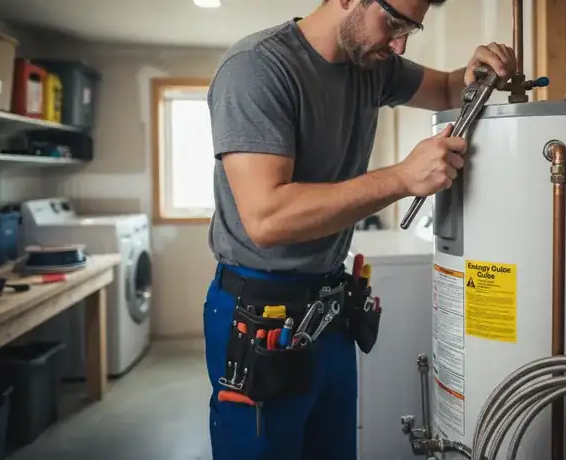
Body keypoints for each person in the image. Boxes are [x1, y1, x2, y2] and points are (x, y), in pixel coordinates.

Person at [203, 1, 518, 459]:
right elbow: (266, 219)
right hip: (260, 314)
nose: (400, 43)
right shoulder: (257, 69)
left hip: (329, 308)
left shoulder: (373, 64)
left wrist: (475, 69)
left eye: (411, 28)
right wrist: (401, 177)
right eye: (392, 23)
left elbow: (448, 86)